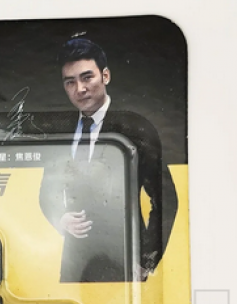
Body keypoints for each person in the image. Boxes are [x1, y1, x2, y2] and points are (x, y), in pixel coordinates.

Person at [39, 37, 177, 282]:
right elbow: (46, 190)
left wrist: (146, 259)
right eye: (70, 82)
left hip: (124, 257)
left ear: (105, 76)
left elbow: (165, 198)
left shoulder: (135, 127)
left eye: (87, 77)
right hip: (75, 262)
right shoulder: (61, 128)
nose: (80, 88)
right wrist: (59, 218)